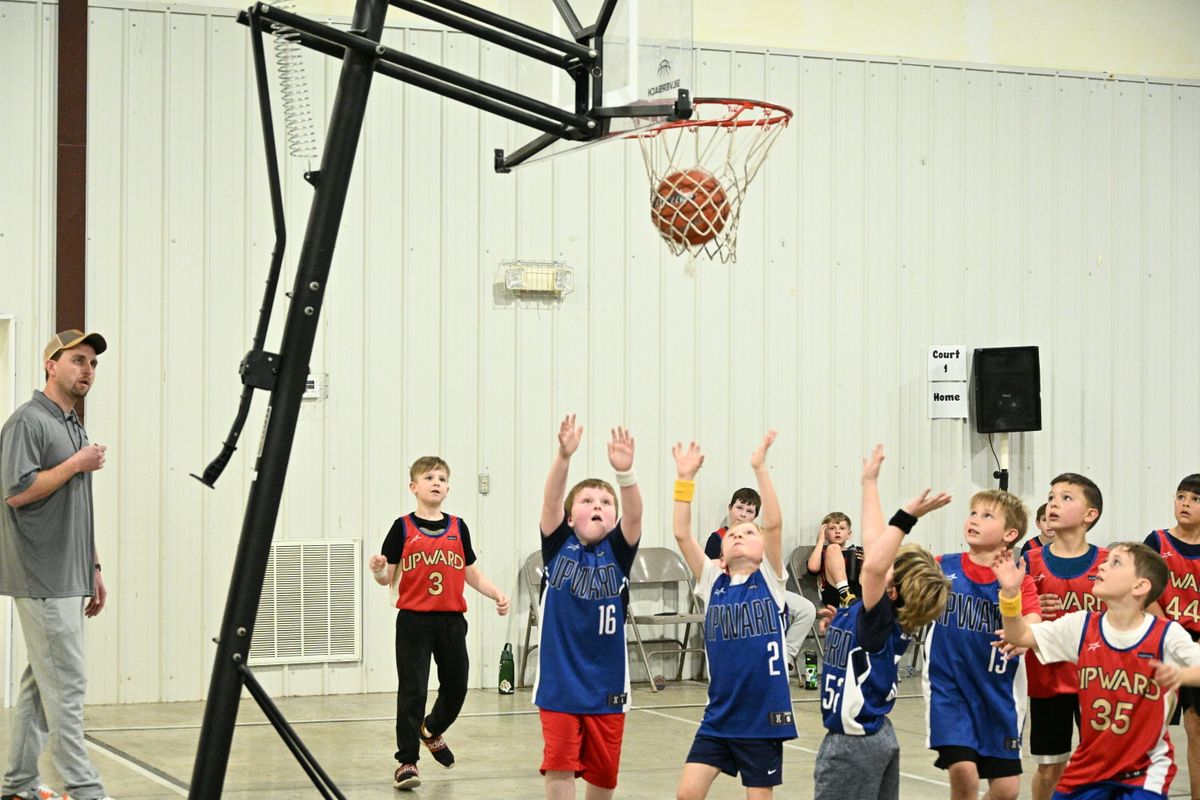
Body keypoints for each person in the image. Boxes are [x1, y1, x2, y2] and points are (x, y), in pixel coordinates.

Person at [995, 541, 1200, 800]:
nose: (1102, 566)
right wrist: (1010, 596)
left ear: (1140, 586)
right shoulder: (1081, 625)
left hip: (1144, 770)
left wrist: (1181, 675)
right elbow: (1020, 635)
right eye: (1105, 561)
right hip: (1088, 767)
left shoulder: (1166, 635)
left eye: (1115, 563)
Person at [0, 330, 112, 800]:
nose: (87, 370)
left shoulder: (71, 424)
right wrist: (76, 464)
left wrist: (94, 567)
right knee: (66, 685)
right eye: (78, 360)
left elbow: (75, 504)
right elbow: (17, 492)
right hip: (42, 575)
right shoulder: (27, 422)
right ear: (51, 365)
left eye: (93, 363)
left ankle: (18, 785)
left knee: (40, 686)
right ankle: (86, 790)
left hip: (69, 572)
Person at [813, 444, 951, 800]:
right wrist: (869, 483)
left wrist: (906, 517)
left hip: (852, 746)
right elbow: (875, 547)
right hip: (878, 735)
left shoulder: (880, 618)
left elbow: (874, 562)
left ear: (892, 590)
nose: (881, 561)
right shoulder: (874, 617)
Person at [368, 456, 510, 790]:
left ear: (448, 488)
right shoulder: (402, 527)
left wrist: (495, 593)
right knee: (413, 690)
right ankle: (407, 762)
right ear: (413, 487)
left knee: (457, 685)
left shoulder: (458, 527)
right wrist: (378, 569)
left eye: (442, 479)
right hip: (414, 621)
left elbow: (471, 572)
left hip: (451, 620)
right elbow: (387, 577)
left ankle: (430, 729)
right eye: (429, 477)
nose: (436, 483)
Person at [670, 433, 796, 800]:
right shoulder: (713, 581)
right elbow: (682, 534)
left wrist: (760, 469)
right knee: (687, 793)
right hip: (720, 713)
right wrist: (685, 480)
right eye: (734, 534)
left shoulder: (769, 579)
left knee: (758, 796)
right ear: (722, 552)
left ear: (762, 548)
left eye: (749, 532)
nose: (740, 535)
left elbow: (774, 524)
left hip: (763, 715)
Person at [535, 415, 642, 800]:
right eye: (587, 501)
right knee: (559, 764)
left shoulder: (619, 551)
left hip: (607, 684)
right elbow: (551, 500)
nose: (598, 505)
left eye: (605, 502)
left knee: (603, 772)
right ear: (569, 517)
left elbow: (635, 514)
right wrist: (563, 457)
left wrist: (625, 475)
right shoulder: (557, 544)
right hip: (560, 681)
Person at [923, 488, 1041, 800]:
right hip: (949, 688)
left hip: (999, 692)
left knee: (1006, 791)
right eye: (973, 513)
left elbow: (1033, 619)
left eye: (987, 516)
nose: (974, 520)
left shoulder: (1019, 580)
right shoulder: (942, 566)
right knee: (964, 772)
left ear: (1010, 534)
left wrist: (1024, 635)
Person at [1024, 474, 1107, 800]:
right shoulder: (1029, 562)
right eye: (1051, 497)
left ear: (1090, 514)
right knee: (1050, 769)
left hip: (1098, 680)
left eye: (1066, 497)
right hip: (1048, 680)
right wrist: (1029, 607)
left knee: (1101, 766)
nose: (1054, 503)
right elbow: (1011, 620)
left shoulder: (1110, 563)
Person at [704, 488, 816, 672]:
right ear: (730, 508)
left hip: (765, 590)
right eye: (739, 508)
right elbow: (709, 573)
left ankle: (785, 656)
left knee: (806, 609)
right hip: (733, 595)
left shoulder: (761, 538)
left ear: (755, 516)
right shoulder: (717, 538)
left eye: (749, 511)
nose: (743, 514)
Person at [1143, 473, 1200, 800]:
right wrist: (1169, 631)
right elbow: (1142, 590)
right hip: (1162, 641)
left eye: (1195, 499)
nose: (1185, 504)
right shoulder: (1157, 542)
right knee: (1150, 728)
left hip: (1198, 648)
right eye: (1181, 497)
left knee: (1196, 730)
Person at [806, 512, 863, 607]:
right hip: (835, 595)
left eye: (842, 528)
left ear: (848, 534)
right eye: (832, 528)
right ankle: (845, 595)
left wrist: (868, 561)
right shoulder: (824, 552)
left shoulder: (857, 551)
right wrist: (820, 541)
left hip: (858, 595)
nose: (837, 531)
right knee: (834, 548)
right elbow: (813, 568)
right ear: (825, 533)